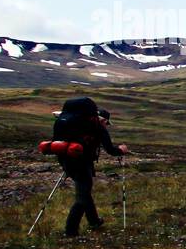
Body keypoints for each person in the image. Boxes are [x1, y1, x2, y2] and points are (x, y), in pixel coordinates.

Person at [52, 97, 129, 237]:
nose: (106, 125)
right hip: (81, 163)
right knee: (82, 197)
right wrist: (122, 150)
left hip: (65, 160)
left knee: (84, 192)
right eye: (106, 123)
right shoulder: (97, 127)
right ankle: (70, 231)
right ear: (102, 119)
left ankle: (94, 221)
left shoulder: (70, 122)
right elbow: (111, 150)